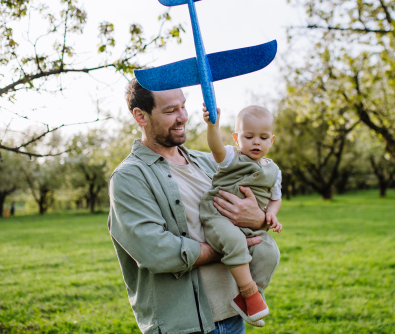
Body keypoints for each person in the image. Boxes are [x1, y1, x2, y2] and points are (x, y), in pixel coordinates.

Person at [107, 79, 269, 334]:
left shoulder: (209, 163)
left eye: (183, 106)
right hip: (184, 326)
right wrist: (227, 247)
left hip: (234, 315)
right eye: (171, 111)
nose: (183, 117)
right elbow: (154, 250)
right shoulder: (130, 177)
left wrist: (259, 219)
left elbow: (254, 206)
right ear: (140, 116)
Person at [200, 105, 282, 325]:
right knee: (234, 241)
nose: (256, 142)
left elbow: (275, 198)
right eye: (249, 136)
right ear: (237, 138)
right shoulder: (230, 157)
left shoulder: (274, 171)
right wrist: (212, 127)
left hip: (251, 225)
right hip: (218, 216)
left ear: (271, 140)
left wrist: (271, 215)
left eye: (263, 137)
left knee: (269, 251)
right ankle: (248, 291)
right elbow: (215, 148)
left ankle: (252, 295)